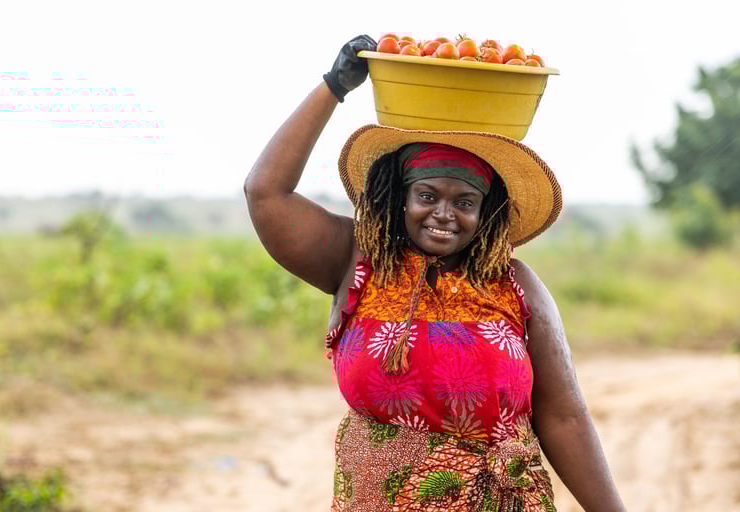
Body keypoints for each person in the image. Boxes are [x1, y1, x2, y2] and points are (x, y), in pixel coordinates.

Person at [245, 35, 626, 512]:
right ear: (399, 196)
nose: (445, 214)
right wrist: (332, 88)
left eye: (465, 202)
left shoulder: (516, 285)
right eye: (427, 196)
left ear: (486, 211)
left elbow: (566, 418)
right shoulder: (357, 259)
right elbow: (265, 193)